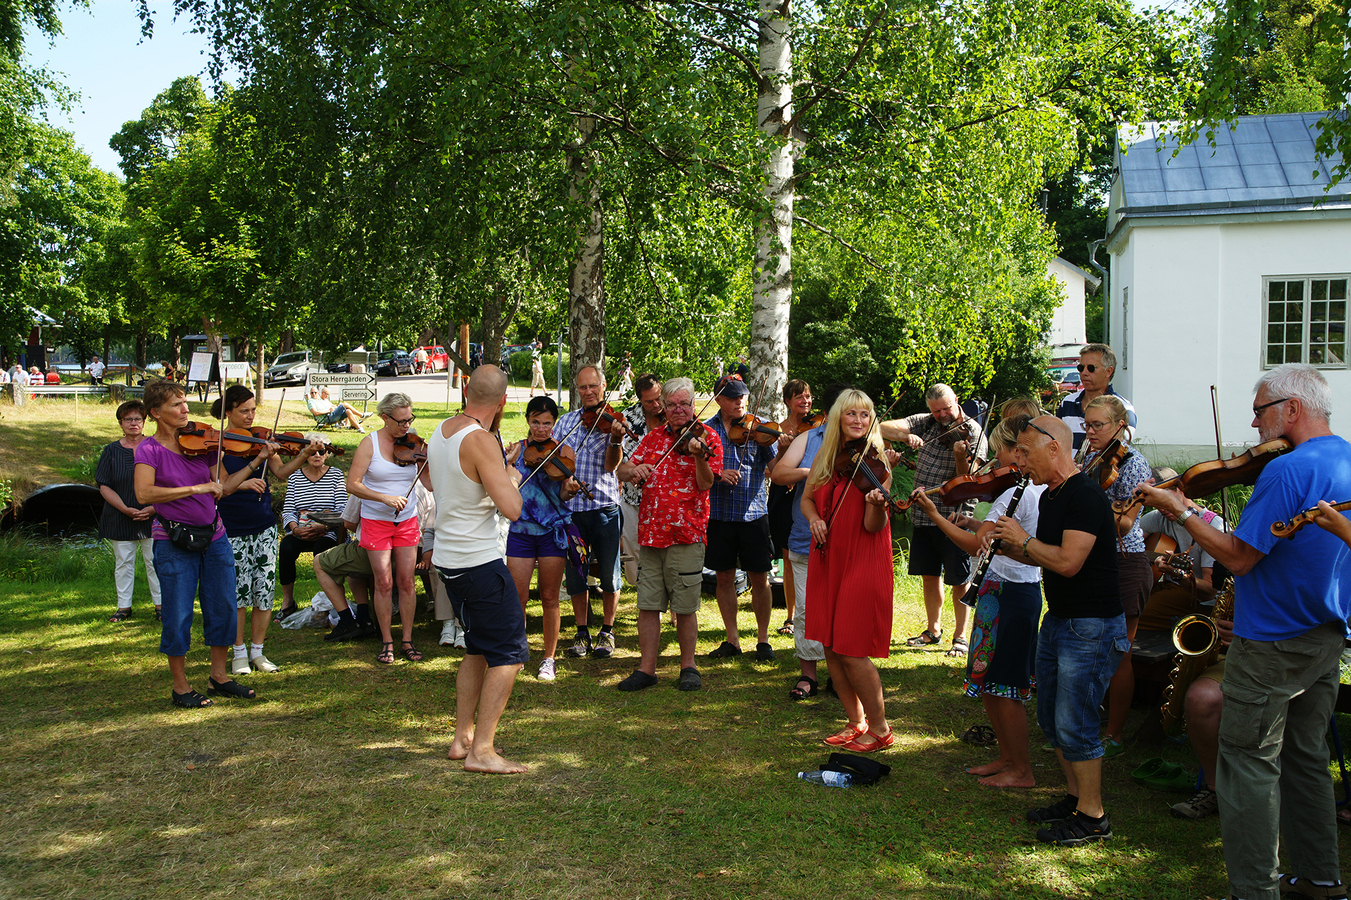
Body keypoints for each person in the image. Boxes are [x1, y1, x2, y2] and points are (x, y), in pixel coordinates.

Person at [1136, 363, 1351, 899]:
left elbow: (1240, 557)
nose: (1254, 427)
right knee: (1305, 760)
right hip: (1325, 635)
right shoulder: (1346, 455)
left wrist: (1182, 511)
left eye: (1259, 412)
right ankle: (1320, 880)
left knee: (1247, 765)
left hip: (1275, 640)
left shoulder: (1287, 470)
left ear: (1292, 410)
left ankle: (1254, 890)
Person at [990, 415, 1127, 846]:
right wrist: (1013, 546)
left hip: (1093, 625)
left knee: (1076, 720)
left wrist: (1024, 541)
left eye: (1026, 453)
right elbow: (1048, 558)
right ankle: (1074, 798)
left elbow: (1069, 562)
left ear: (1054, 448)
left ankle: (1094, 816)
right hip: (1061, 619)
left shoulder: (1085, 495)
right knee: (1050, 714)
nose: (1021, 462)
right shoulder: (1050, 496)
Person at [911, 418, 1044, 786]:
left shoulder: (1020, 492)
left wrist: (935, 515)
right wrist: (972, 523)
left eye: (998, 451)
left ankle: (1022, 769)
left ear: (1016, 453)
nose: (991, 462)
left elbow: (976, 546)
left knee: (1005, 685)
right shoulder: (1009, 491)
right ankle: (1006, 757)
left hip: (1013, 594)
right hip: (997, 590)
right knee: (988, 681)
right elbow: (988, 538)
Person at [134, 379, 274, 708]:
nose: (185, 409)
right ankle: (181, 687)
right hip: (172, 539)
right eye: (175, 405)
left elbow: (222, 487)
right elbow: (144, 494)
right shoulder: (149, 449)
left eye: (185, 402)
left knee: (223, 606)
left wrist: (257, 461)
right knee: (179, 612)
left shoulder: (203, 443)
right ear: (155, 412)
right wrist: (194, 490)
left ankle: (219, 677)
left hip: (215, 535)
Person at [428, 365, 528, 774]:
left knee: (476, 649)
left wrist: (491, 473)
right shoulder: (482, 440)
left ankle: (461, 739)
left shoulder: (441, 430)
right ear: (503, 401)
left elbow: (439, 485)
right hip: (478, 563)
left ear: (467, 390)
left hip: (448, 561)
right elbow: (513, 509)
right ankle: (482, 750)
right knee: (508, 655)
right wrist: (509, 474)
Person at [800, 389, 895, 752]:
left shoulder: (878, 465)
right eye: (852, 414)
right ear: (838, 417)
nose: (859, 421)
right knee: (829, 645)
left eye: (865, 415)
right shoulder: (829, 458)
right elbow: (808, 499)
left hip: (862, 559)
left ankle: (881, 728)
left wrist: (876, 505)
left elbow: (873, 527)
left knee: (852, 649)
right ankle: (856, 722)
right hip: (827, 558)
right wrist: (813, 521)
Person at [615, 376, 723, 691]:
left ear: (693, 405)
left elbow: (706, 484)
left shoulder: (707, 438)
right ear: (664, 405)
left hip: (686, 534)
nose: (679, 410)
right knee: (648, 605)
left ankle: (688, 666)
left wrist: (699, 455)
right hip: (651, 534)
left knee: (685, 606)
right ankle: (646, 668)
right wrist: (632, 471)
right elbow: (622, 469)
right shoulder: (652, 438)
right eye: (672, 404)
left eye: (685, 404)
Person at [212, 386, 321, 675]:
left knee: (263, 590)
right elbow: (222, 487)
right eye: (243, 411)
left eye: (253, 410)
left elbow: (282, 473)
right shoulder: (217, 444)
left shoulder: (262, 438)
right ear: (228, 412)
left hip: (262, 526)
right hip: (231, 527)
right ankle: (237, 653)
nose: (250, 416)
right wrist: (255, 464)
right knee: (237, 593)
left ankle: (258, 652)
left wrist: (304, 454)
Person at [881, 384, 988, 657]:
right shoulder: (927, 422)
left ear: (957, 401)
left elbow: (971, 478)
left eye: (946, 408)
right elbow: (881, 427)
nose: (942, 415)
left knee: (959, 579)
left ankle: (961, 636)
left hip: (953, 515)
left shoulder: (973, 432)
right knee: (930, 575)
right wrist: (907, 437)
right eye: (936, 410)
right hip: (923, 511)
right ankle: (933, 629)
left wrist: (960, 455)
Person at [1078, 394, 1152, 758]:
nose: (1089, 431)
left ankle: (1115, 733)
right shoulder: (1091, 458)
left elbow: (1124, 525)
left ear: (1120, 426)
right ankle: (1085, 725)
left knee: (1119, 652)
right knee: (1089, 649)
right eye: (1086, 425)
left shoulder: (1135, 464)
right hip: (1093, 560)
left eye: (1097, 425)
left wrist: (1087, 499)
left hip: (1126, 562)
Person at [770, 383, 851, 702]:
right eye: (846, 411)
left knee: (841, 609)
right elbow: (778, 474)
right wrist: (809, 470)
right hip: (806, 538)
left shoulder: (861, 443)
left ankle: (841, 673)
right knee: (804, 608)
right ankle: (808, 674)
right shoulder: (808, 438)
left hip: (846, 542)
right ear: (832, 413)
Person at [346, 392, 432, 665]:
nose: (407, 426)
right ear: (385, 418)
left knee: (406, 581)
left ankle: (407, 639)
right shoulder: (368, 444)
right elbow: (353, 484)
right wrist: (383, 498)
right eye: (401, 421)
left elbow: (429, 485)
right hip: (376, 520)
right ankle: (387, 641)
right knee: (384, 582)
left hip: (406, 521)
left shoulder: (414, 444)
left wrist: (427, 464)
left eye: (410, 420)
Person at [704, 373, 780, 661]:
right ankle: (732, 639)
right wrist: (717, 474)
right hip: (719, 515)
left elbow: (775, 467)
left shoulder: (759, 427)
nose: (739, 401)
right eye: (733, 397)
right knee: (723, 578)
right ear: (718, 399)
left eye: (743, 396)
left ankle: (763, 640)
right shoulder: (706, 430)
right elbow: (696, 472)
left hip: (754, 515)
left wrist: (778, 444)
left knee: (760, 578)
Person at [505, 396, 581, 682]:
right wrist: (507, 463)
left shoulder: (563, 452)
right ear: (527, 420)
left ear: (554, 423)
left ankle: (548, 658)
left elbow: (562, 495)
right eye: (536, 422)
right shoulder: (515, 450)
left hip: (552, 532)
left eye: (547, 423)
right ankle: (518, 651)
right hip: (521, 531)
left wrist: (569, 489)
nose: (541, 429)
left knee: (550, 597)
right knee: (518, 597)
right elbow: (503, 483)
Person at [552, 364, 625, 659]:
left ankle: (607, 630)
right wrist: (562, 477)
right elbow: (553, 459)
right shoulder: (567, 423)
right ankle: (581, 631)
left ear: (603, 385)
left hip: (604, 509)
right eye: (582, 387)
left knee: (609, 573)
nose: (588, 392)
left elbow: (612, 466)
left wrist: (617, 440)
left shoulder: (614, 423)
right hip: (572, 512)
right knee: (577, 574)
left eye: (593, 386)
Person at [1136, 467, 1226, 634]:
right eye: (1156, 502)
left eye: (1165, 500)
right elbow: (1125, 543)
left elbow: (1209, 591)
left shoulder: (1212, 525)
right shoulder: (1158, 518)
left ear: (1179, 489)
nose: (1161, 508)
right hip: (1170, 589)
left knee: (1133, 618)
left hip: (1200, 600)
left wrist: (1177, 574)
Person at [98, 400, 162, 622]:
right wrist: (125, 509)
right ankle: (123, 607)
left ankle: (161, 606)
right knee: (123, 562)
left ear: (144, 422)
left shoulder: (155, 447)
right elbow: (104, 485)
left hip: (154, 516)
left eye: (138, 419)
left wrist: (153, 508)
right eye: (129, 419)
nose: (134, 423)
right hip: (120, 515)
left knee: (155, 561)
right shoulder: (111, 451)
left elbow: (168, 483)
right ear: (121, 423)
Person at [276, 435, 349, 621]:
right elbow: (289, 510)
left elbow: (342, 509)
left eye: (321, 451)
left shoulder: (335, 475)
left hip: (329, 530)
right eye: (312, 451)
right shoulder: (294, 476)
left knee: (321, 550)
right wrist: (295, 529)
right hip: (302, 530)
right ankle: (288, 601)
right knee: (286, 547)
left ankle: (329, 600)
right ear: (304, 454)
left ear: (326, 454)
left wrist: (322, 526)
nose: (317, 455)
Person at [768, 379, 816, 637]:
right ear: (787, 401)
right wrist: (782, 451)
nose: (805, 402)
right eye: (799, 397)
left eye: (808, 397)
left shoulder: (819, 428)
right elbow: (769, 470)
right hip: (784, 496)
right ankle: (791, 616)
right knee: (788, 557)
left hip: (808, 493)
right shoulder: (779, 431)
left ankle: (811, 611)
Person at [618, 373, 664, 585]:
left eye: (659, 398)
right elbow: (619, 462)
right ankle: (644, 603)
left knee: (665, 554)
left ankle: (672, 610)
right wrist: (633, 470)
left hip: (664, 499)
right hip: (632, 497)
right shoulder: (626, 419)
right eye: (649, 401)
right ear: (639, 400)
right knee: (633, 550)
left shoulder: (674, 417)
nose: (656, 405)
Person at [1056, 343, 1137, 453]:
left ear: (1108, 371)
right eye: (1081, 368)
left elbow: (1120, 450)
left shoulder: (1123, 407)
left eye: (1091, 368)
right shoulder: (1067, 402)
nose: (1084, 373)